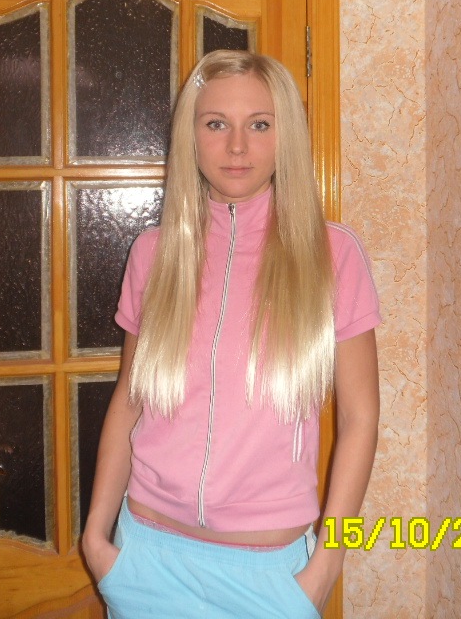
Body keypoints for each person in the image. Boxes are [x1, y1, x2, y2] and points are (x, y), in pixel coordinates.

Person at [81, 50, 380, 618]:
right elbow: (129, 401)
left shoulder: (333, 256)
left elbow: (361, 418)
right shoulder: (153, 254)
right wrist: (97, 539)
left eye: (259, 125)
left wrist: (326, 566)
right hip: (146, 560)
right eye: (216, 123)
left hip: (268, 577)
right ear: (190, 137)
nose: (237, 146)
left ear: (285, 136)